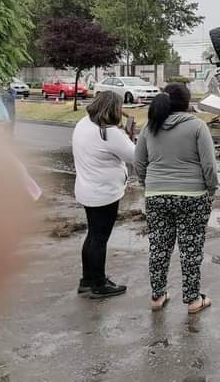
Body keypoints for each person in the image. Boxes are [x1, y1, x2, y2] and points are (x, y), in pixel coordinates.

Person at [135, 83, 218, 314]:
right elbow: (209, 164)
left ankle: (157, 296)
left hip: (156, 195)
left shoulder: (150, 127)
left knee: (159, 247)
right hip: (192, 196)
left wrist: (148, 184)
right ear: (186, 102)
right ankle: (193, 300)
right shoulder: (197, 126)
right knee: (190, 248)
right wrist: (211, 189)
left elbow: (139, 162)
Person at [72, 91, 135, 299]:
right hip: (104, 193)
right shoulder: (108, 133)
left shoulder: (83, 124)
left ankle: (87, 280)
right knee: (100, 238)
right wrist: (128, 135)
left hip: (87, 189)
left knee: (92, 235)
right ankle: (99, 284)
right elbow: (133, 155)